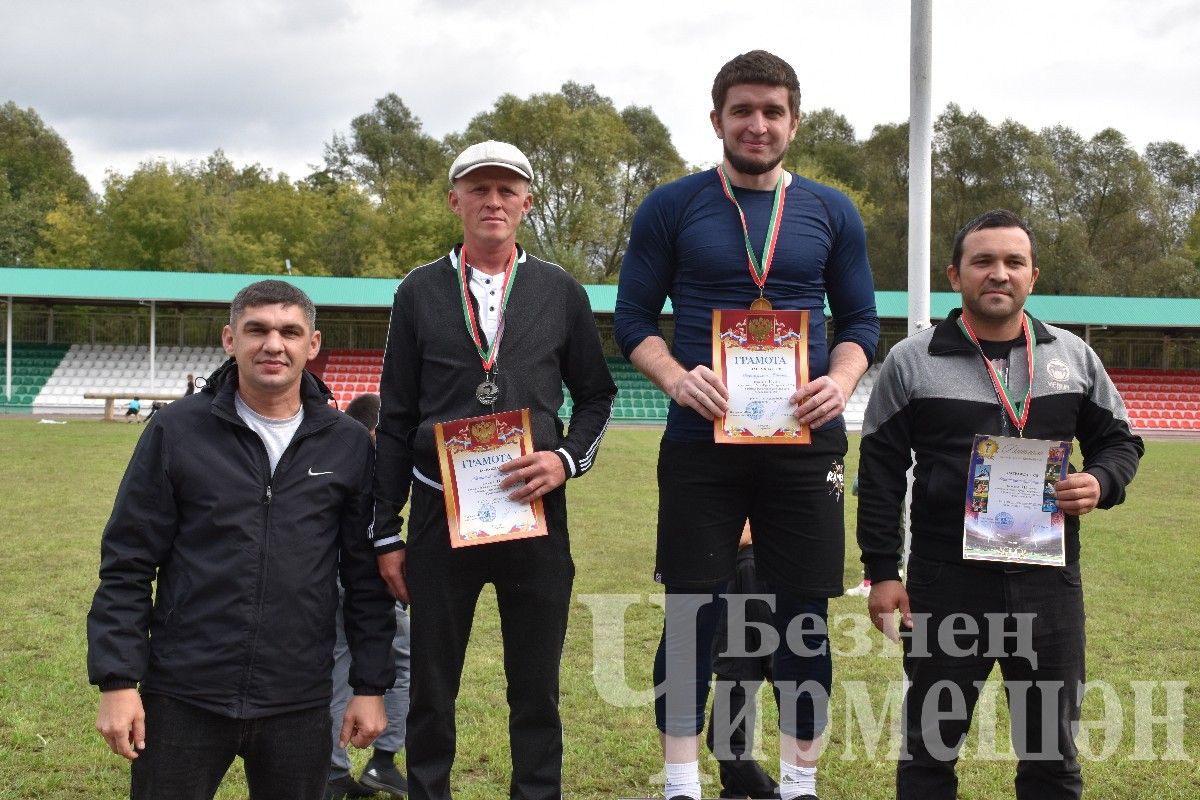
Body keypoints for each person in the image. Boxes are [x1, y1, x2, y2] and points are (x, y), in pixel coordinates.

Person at [614, 50, 879, 800]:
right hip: (704, 440)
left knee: (804, 618)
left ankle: (800, 783)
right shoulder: (672, 205)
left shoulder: (832, 209)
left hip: (805, 439)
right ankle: (680, 785)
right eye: (742, 111)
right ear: (716, 120)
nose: (757, 125)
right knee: (692, 609)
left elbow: (862, 320)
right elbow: (632, 318)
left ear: (794, 121)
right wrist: (674, 376)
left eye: (772, 111)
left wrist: (840, 380)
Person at [856, 209, 1144, 800]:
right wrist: (882, 572)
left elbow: (1121, 440)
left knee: (1051, 755)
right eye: (983, 261)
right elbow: (880, 472)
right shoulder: (912, 360)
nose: (998, 273)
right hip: (944, 581)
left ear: (1032, 275)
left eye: (1013, 262)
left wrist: (1102, 482)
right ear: (955, 274)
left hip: (1048, 584)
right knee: (930, 750)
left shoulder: (1072, 357)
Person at [372, 140, 617, 800]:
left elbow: (596, 395)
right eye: (478, 189)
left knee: (535, 688)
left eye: (507, 189)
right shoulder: (419, 290)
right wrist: (386, 531)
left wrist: (566, 461)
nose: (493, 201)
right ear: (455, 200)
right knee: (431, 687)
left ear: (527, 201)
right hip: (438, 515)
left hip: (533, 516)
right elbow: (394, 418)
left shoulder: (560, 290)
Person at [87, 280, 397, 800]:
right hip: (184, 693)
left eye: (289, 332)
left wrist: (369, 686)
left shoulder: (346, 443)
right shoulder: (176, 431)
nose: (273, 344)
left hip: (298, 698)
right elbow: (127, 562)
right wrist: (118, 682)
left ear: (312, 345)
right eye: (257, 330)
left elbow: (364, 576)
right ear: (230, 339)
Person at [327, 392, 411, 800]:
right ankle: (381, 761)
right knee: (398, 660)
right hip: (366, 578)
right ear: (377, 432)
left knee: (338, 662)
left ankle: (335, 770)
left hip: (332, 576)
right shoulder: (374, 462)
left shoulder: (334, 451)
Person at [706, 523, 779, 800]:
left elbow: (763, 617)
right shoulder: (735, 561)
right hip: (733, 664)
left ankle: (770, 794)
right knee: (736, 737)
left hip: (741, 666)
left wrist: (774, 666)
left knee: (722, 741)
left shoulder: (749, 565)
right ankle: (733, 793)